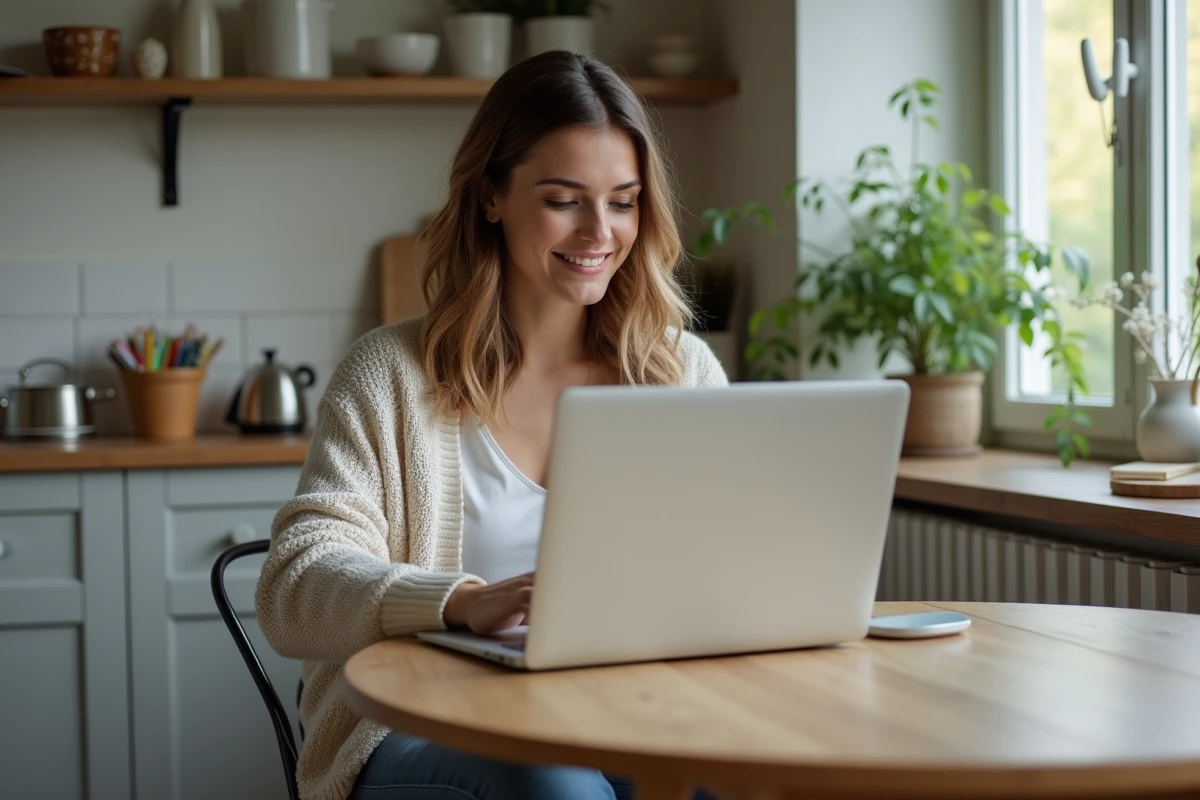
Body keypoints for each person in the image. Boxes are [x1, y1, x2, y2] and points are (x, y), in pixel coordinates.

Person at [255, 50, 728, 800]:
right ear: (490, 198)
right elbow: (294, 586)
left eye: (623, 201)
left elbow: (729, 566)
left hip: (622, 706)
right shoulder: (390, 374)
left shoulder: (681, 372)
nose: (599, 232)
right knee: (555, 786)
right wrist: (458, 602)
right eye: (564, 199)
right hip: (424, 724)